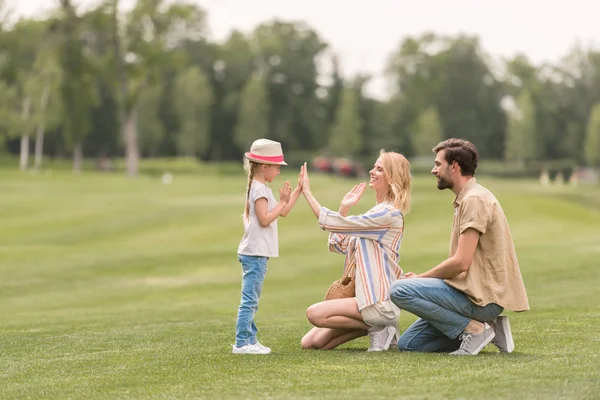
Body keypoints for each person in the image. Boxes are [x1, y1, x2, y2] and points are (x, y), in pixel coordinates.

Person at [390, 138, 529, 355]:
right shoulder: (466, 198)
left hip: (481, 299)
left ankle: (475, 329)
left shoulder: (475, 199)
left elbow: (461, 262)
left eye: (438, 164)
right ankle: (490, 328)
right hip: (467, 294)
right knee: (411, 344)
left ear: (454, 166)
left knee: (399, 290)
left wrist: (420, 278)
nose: (433, 170)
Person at [299, 150, 411, 351]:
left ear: (392, 177)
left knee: (314, 313)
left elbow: (332, 223)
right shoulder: (375, 213)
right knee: (311, 343)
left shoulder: (388, 214)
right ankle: (377, 328)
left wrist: (307, 192)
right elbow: (337, 244)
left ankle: (381, 326)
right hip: (362, 301)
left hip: (378, 301)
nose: (372, 171)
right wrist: (343, 208)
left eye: (379, 169)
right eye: (374, 167)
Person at [233, 139, 302, 355]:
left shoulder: (260, 187)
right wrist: (281, 203)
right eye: (277, 167)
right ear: (264, 167)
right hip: (255, 253)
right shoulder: (259, 190)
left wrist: (298, 190)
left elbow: (282, 212)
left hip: (257, 253)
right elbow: (265, 219)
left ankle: (251, 340)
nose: (279, 172)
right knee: (249, 300)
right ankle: (242, 343)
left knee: (252, 300)